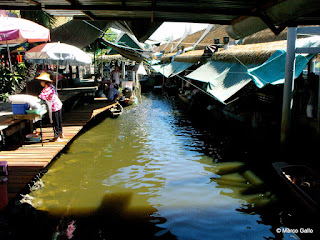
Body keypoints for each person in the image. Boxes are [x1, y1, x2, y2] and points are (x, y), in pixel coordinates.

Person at [36, 72, 64, 141]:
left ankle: (56, 136)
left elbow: (41, 97)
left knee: (55, 121)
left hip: (54, 106)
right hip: (58, 104)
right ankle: (60, 134)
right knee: (59, 121)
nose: (40, 83)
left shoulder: (47, 89)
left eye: (41, 82)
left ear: (44, 82)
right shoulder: (51, 86)